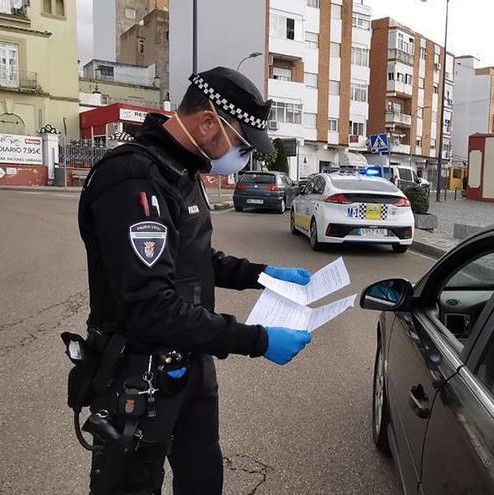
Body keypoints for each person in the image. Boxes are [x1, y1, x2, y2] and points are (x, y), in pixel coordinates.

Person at [76, 67, 313, 494]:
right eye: (240, 144)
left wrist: (262, 275)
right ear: (208, 123)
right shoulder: (133, 180)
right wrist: (256, 340)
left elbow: (195, 260)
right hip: (139, 372)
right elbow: (151, 306)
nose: (240, 157)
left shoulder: (181, 172)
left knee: (203, 478)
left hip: (190, 365)